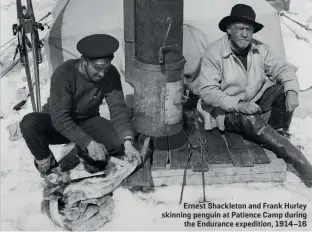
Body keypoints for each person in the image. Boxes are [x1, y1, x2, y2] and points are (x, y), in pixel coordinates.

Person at [193, 4, 312, 187]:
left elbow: (283, 69)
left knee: (282, 90)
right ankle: (300, 163)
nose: (244, 34)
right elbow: (208, 91)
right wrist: (238, 105)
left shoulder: (260, 49)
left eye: (249, 29)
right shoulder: (214, 52)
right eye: (240, 28)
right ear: (228, 29)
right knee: (249, 119)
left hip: (253, 103)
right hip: (225, 110)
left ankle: (277, 136)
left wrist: (292, 91)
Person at [20, 34, 141, 177]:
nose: (102, 73)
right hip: (56, 124)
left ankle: (85, 151)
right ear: (84, 61)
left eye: (106, 68)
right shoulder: (64, 73)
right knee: (29, 123)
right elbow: (60, 119)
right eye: (97, 68)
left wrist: (127, 142)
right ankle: (48, 164)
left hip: (87, 120)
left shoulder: (111, 74)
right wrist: (89, 143)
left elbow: (118, 110)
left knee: (117, 144)